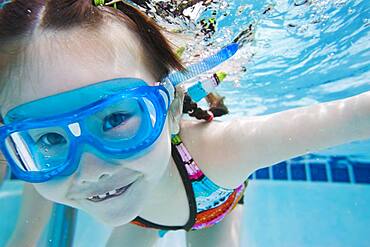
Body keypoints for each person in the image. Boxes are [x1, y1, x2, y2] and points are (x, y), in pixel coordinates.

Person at [0, 1, 369, 247]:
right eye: (49, 137)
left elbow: (353, 117)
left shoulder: (222, 152)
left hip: (207, 202)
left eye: (116, 118)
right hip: (138, 216)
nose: (91, 170)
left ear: (172, 105)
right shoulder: (51, 167)